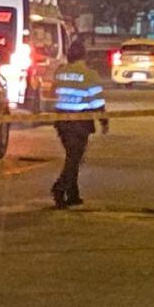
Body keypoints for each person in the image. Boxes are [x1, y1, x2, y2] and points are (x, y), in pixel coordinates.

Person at [50, 40, 108, 209]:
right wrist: (104, 121)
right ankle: (60, 188)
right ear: (84, 55)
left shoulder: (61, 72)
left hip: (62, 121)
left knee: (72, 156)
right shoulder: (89, 75)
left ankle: (73, 194)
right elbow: (97, 102)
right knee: (75, 158)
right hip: (80, 122)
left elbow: (53, 92)